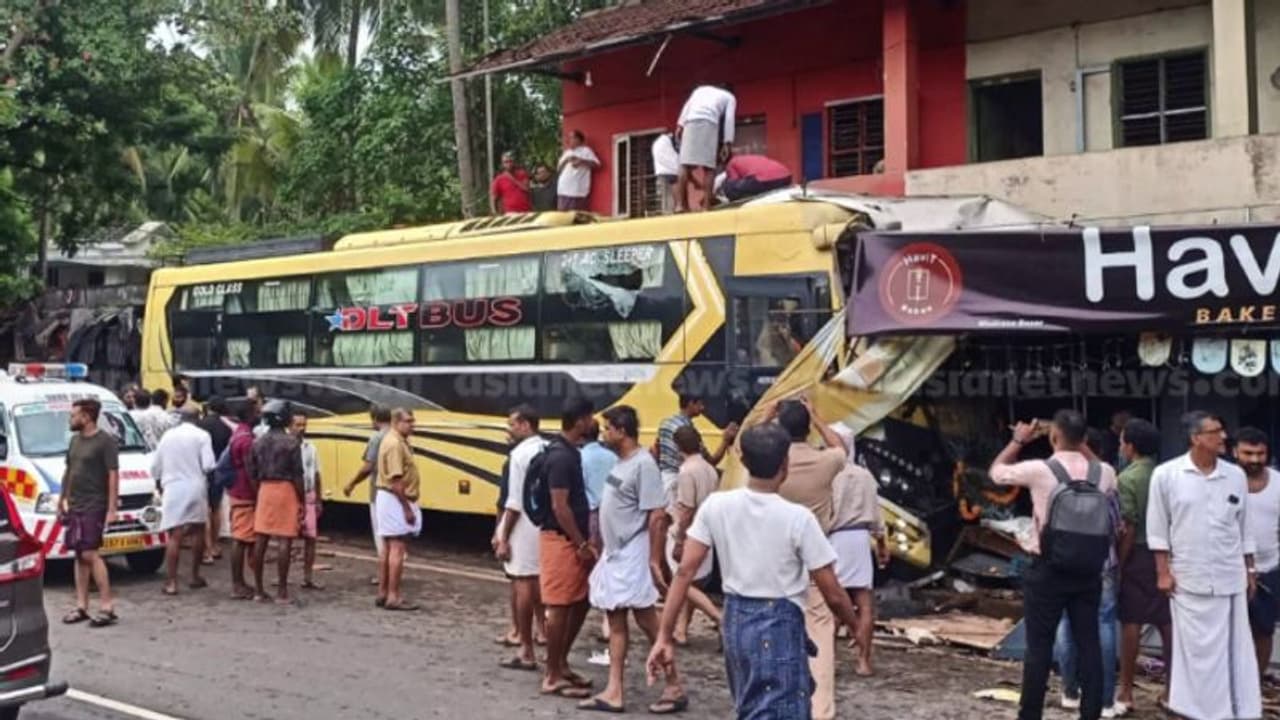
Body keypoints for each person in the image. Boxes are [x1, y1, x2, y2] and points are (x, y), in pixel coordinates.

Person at [647, 423, 862, 718]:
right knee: (780, 708)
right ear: (785, 464)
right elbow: (833, 592)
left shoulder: (717, 506)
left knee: (749, 702)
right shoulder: (798, 519)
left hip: (736, 617)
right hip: (780, 619)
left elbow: (684, 573)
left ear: (743, 460)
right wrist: (855, 626)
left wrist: (664, 636)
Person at [990, 410, 1118, 720]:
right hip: (1089, 570)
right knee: (1088, 642)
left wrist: (1018, 440)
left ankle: (1030, 713)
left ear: (1053, 436)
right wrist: (1079, 443)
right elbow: (1100, 470)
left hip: (1048, 568)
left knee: (1039, 646)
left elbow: (997, 473)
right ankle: (1091, 712)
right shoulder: (1105, 473)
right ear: (1084, 438)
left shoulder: (1040, 469)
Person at [1148, 411, 1261, 720]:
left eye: (1222, 430)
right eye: (1215, 432)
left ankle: (1235, 711)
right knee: (1192, 651)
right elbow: (1158, 530)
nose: (1223, 437)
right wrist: (1162, 572)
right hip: (1188, 577)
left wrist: (1250, 569)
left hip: (1229, 577)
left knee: (1232, 650)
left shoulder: (1235, 475)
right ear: (1195, 438)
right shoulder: (1166, 475)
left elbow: (1245, 527)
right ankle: (1192, 710)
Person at [582, 405, 686, 714]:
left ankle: (673, 684)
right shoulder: (622, 462)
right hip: (617, 553)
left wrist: (654, 560)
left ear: (622, 431)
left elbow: (657, 515)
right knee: (617, 619)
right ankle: (614, 689)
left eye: (608, 428)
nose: (603, 433)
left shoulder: (643, 465)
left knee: (647, 621)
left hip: (632, 552)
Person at [774, 397, 848, 720]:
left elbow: (746, 446)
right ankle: (820, 710)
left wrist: (768, 415)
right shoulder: (825, 462)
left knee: (777, 629)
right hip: (816, 556)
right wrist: (817, 416)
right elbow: (840, 446)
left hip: (777, 557)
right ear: (808, 428)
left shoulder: (774, 463)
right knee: (820, 630)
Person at [1053, 428, 1122, 718]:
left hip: (1064, 564)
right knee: (1104, 625)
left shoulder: (1052, 477)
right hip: (1101, 563)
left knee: (1067, 623)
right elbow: (1117, 525)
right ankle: (1105, 701)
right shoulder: (1107, 478)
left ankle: (1071, 692)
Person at [539, 398, 597, 699]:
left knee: (580, 600)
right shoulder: (561, 457)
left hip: (569, 539)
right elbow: (560, 507)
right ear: (580, 421)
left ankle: (560, 663)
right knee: (560, 606)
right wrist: (581, 543)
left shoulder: (568, 452)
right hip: (562, 540)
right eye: (589, 417)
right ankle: (552, 674)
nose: (593, 422)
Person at [1114, 418, 1170, 714]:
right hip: (1168, 554)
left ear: (1131, 446)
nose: (1120, 446)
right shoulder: (1166, 474)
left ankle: (1126, 690)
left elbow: (1129, 526)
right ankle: (1173, 689)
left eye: (1121, 441)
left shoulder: (1127, 478)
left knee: (1131, 621)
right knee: (1167, 621)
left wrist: (1120, 564)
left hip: (1138, 553)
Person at [827, 423, 889, 677]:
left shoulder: (829, 476)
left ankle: (828, 660)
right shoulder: (865, 476)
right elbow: (877, 515)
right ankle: (864, 662)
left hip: (835, 539)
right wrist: (882, 544)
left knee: (832, 603)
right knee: (865, 604)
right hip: (861, 539)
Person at [494, 405, 547, 671]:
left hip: (524, 528)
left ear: (526, 425)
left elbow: (514, 503)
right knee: (539, 583)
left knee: (522, 582)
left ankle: (526, 648)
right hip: (544, 525)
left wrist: (503, 536)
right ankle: (544, 633)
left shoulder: (519, 455)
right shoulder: (547, 448)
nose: (509, 430)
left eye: (512, 425)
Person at [59, 398, 119, 628]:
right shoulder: (74, 441)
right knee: (78, 553)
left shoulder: (105, 442)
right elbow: (69, 470)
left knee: (90, 553)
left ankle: (107, 606)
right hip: (75, 504)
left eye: (74, 415)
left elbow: (112, 475)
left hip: (95, 504)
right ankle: (81, 605)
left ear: (86, 417)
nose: (70, 419)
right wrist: (62, 499)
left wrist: (111, 509)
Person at [666, 425, 722, 646]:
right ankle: (681, 630)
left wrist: (679, 539)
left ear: (677, 446)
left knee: (681, 581)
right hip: (707, 532)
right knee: (694, 583)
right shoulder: (710, 469)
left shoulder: (686, 471)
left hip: (690, 532)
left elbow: (687, 509)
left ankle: (719, 618)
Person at [151, 406, 215, 596]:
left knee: (175, 535)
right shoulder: (202, 436)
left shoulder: (168, 436)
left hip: (173, 487)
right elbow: (209, 465)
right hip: (196, 486)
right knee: (198, 530)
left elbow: (155, 466)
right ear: (198, 418)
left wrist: (159, 483)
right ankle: (194, 576)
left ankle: (171, 582)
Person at [248, 400, 305, 605]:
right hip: (286, 490)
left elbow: (252, 472)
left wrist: (259, 491)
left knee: (261, 539)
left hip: (265, 490)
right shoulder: (292, 443)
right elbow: (298, 475)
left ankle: (258, 590)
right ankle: (282, 591)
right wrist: (301, 499)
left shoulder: (257, 442)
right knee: (284, 540)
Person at [1237, 427, 1280, 687]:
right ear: (1235, 452)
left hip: (1269, 570)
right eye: (1248, 453)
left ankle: (1254, 685)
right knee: (1230, 633)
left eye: (1260, 453)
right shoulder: (1225, 481)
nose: (1254, 459)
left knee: (1264, 630)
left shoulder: (1278, 483)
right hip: (1230, 571)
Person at [376, 408, 423, 611]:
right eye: (408, 421)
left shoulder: (395, 441)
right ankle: (393, 595)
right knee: (397, 547)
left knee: (388, 547)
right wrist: (407, 509)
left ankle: (383, 592)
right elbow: (396, 481)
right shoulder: (395, 444)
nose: (412, 425)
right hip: (394, 499)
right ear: (396, 422)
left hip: (388, 498)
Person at [654, 393, 737, 504]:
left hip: (665, 479)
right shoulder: (688, 432)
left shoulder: (665, 423)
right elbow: (711, 462)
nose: (702, 408)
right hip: (680, 482)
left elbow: (657, 449)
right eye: (700, 404)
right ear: (690, 404)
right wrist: (725, 440)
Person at [343, 405, 392, 588]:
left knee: (381, 537)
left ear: (374, 419)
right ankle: (393, 572)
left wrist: (351, 483)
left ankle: (384, 577)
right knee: (393, 537)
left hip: (379, 493)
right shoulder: (397, 436)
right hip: (396, 492)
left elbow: (368, 467)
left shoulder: (376, 438)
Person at [580, 419, 617, 648]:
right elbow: (616, 484)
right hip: (610, 513)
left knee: (586, 564)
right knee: (607, 562)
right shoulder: (612, 457)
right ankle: (608, 621)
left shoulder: (580, 458)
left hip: (590, 514)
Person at [675, 84, 736, 212]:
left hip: (690, 122)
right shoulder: (730, 97)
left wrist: (680, 125)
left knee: (684, 165)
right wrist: (728, 142)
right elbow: (729, 119)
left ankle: (679, 205)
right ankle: (706, 206)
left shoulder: (700, 90)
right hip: (709, 122)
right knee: (709, 167)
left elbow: (687, 106)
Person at [225, 402, 259, 600]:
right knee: (240, 538)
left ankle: (240, 582)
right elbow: (250, 470)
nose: (259, 415)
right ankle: (237, 584)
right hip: (244, 493)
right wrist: (257, 493)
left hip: (238, 490)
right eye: (256, 412)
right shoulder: (246, 440)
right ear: (249, 415)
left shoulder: (239, 433)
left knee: (243, 537)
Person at [198, 396, 235, 563]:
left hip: (202, 471)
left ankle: (206, 549)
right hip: (218, 471)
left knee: (205, 510)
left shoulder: (201, 425)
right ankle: (214, 544)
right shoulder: (226, 427)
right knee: (216, 508)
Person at [291, 413, 324, 591]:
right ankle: (283, 577)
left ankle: (308, 577)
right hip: (290, 497)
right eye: (298, 425)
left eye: (304, 424)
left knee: (311, 538)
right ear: (290, 426)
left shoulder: (311, 447)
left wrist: (318, 499)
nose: (302, 428)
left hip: (309, 495)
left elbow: (317, 474)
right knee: (286, 538)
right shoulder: (285, 447)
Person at [716, 153, 792, 202]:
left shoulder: (731, 164)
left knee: (729, 185)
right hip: (786, 177)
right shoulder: (748, 158)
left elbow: (734, 182)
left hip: (764, 180)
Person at [556, 130, 600, 211]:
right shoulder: (567, 153)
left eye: (571, 137)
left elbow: (597, 165)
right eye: (568, 137)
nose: (568, 140)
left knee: (576, 216)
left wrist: (581, 161)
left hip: (577, 191)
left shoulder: (586, 151)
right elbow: (558, 169)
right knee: (562, 216)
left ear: (579, 139)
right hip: (562, 190)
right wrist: (566, 160)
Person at [490, 151, 531, 215]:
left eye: (510, 161)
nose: (509, 164)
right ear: (502, 164)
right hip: (510, 213)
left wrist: (512, 178)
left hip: (526, 211)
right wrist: (496, 212)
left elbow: (526, 188)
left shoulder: (522, 174)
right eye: (506, 162)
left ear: (514, 162)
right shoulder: (498, 179)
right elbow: (494, 198)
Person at [651, 132, 680, 214]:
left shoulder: (659, 142)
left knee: (664, 203)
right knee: (669, 203)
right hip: (670, 173)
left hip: (660, 173)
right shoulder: (669, 144)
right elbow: (680, 166)